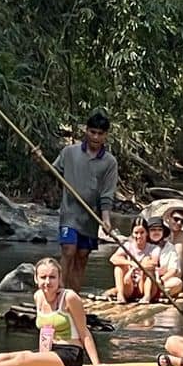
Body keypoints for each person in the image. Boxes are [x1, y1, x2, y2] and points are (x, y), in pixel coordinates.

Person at [52, 111, 118, 290]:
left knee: (82, 256)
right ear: (86, 131)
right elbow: (53, 172)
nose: (95, 137)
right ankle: (60, 292)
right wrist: (40, 161)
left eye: (100, 133)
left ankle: (74, 294)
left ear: (106, 135)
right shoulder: (69, 152)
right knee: (68, 250)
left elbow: (107, 193)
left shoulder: (109, 162)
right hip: (70, 213)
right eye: (92, 132)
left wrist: (106, 220)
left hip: (90, 217)